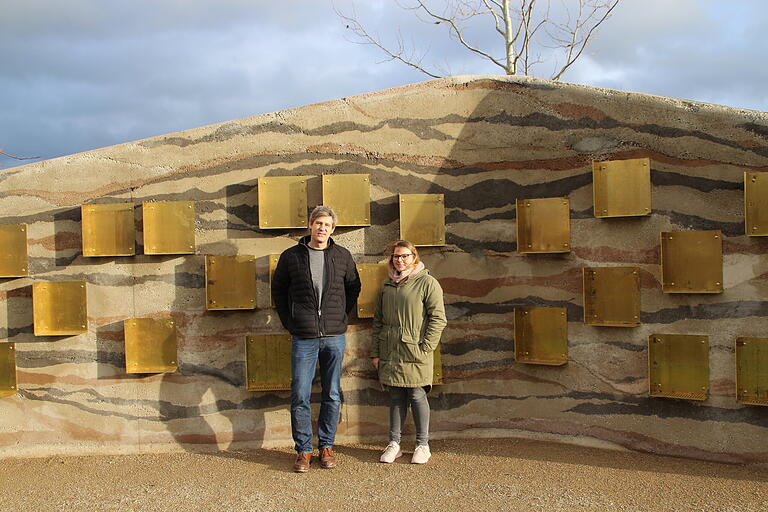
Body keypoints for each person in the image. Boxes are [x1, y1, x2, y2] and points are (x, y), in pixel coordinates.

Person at [271, 205, 361, 473]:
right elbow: (278, 291)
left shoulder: (343, 256)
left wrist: (338, 317)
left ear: (333, 229)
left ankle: (327, 446)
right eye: (318, 223)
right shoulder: (291, 257)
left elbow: (354, 288)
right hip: (304, 337)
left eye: (327, 225)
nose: (322, 228)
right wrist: (291, 322)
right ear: (310, 225)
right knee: (300, 394)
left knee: (332, 393)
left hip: (334, 337)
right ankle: (303, 451)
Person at [370, 240, 447, 464]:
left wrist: (426, 348)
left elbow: (438, 319)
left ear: (414, 257)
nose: (400, 260)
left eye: (405, 256)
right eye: (396, 256)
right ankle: (394, 443)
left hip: (416, 351)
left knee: (416, 394)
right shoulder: (387, 286)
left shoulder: (427, 283)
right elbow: (378, 322)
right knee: (395, 395)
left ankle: (423, 444)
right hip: (390, 350)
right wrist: (376, 352)